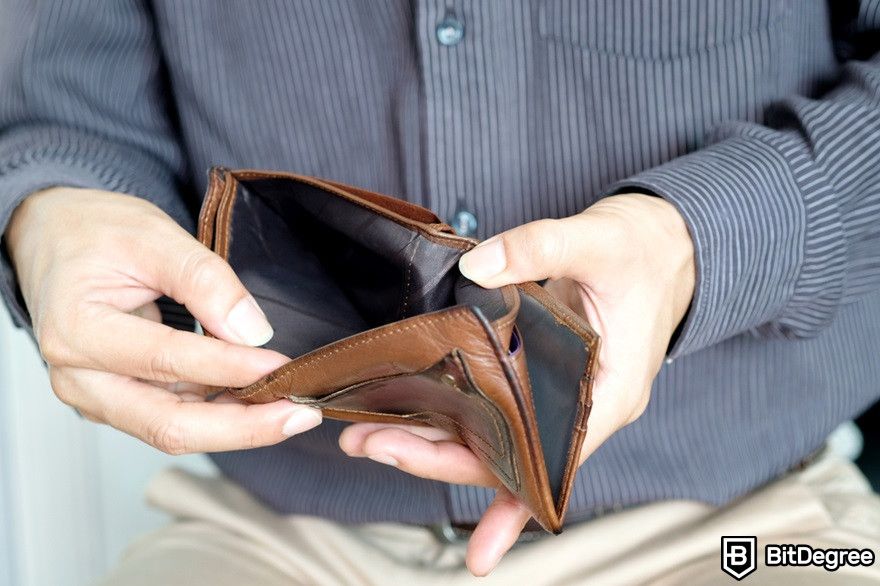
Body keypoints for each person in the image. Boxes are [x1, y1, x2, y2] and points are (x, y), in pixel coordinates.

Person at [1, 1, 879, 584]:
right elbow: (67, 104)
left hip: (745, 525)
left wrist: (701, 239)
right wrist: (50, 211)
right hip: (273, 532)